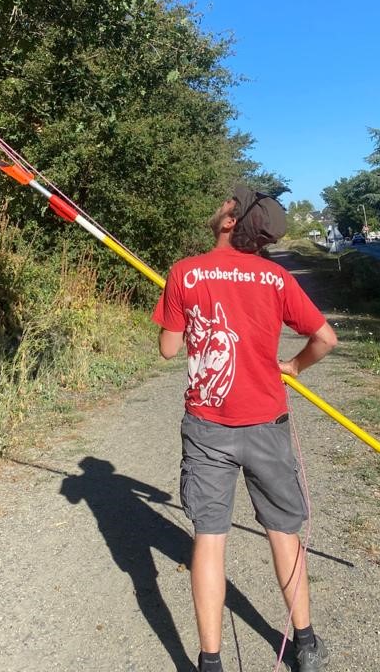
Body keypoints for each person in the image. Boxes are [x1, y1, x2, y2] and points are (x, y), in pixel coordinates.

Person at [153, 185, 338, 672]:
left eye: (226, 202)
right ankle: (306, 644)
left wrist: (189, 321)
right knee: (284, 530)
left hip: (208, 426)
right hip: (267, 425)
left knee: (209, 537)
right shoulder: (277, 278)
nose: (219, 204)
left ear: (232, 221)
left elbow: (169, 350)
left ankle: (209, 662)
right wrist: (293, 368)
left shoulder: (185, 272)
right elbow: (325, 338)